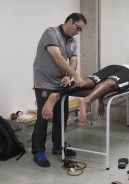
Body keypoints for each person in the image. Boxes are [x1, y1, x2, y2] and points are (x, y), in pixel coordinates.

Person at [32, 13, 87, 167]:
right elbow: (57, 57)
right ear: (70, 21)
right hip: (44, 81)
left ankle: (58, 146)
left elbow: (74, 60)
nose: (79, 32)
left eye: (81, 30)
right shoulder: (51, 33)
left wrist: (69, 76)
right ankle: (38, 151)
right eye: (78, 28)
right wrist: (75, 75)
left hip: (60, 83)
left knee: (61, 116)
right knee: (44, 116)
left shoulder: (73, 40)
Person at [42, 64, 129, 124]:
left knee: (89, 81)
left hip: (112, 66)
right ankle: (87, 101)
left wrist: (101, 100)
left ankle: (57, 94)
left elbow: (100, 87)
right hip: (128, 73)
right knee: (112, 83)